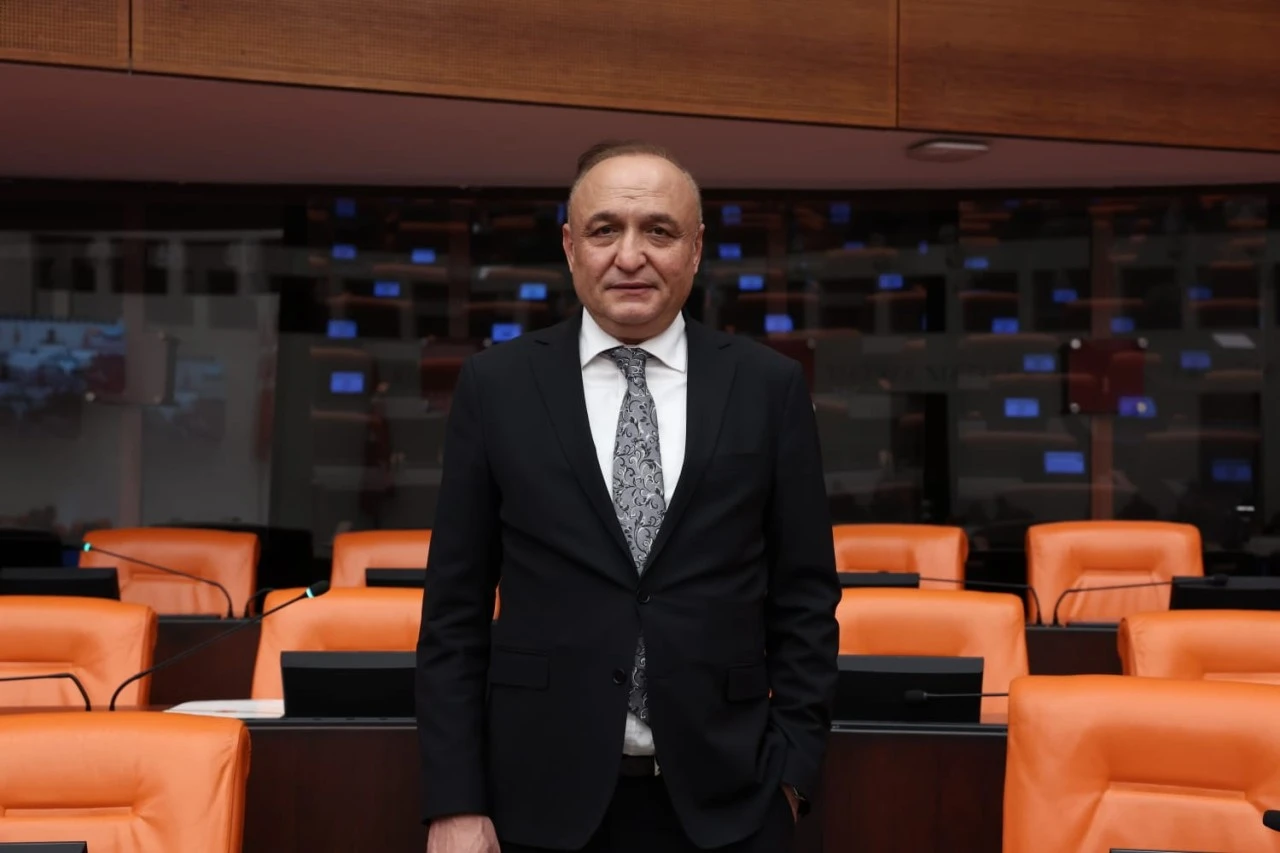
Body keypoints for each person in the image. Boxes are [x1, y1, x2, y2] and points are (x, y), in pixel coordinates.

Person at [417, 140, 840, 853]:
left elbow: (805, 598)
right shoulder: (497, 386)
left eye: (659, 231)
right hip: (533, 801)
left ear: (696, 249)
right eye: (605, 229)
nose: (630, 255)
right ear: (570, 246)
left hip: (729, 804)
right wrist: (455, 801)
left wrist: (791, 779)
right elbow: (453, 613)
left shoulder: (769, 387)